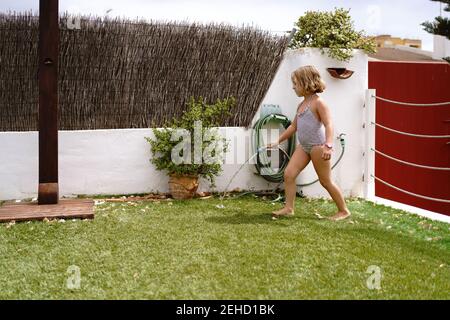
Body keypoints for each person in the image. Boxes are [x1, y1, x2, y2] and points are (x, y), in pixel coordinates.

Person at [269, 65, 351, 221]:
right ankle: (289, 208)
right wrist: (277, 141)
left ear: (306, 83)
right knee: (289, 174)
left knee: (325, 181)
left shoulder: (319, 103)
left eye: (295, 83)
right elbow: (294, 126)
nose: (293, 87)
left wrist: (328, 145)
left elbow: (329, 124)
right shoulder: (301, 104)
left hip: (318, 147)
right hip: (304, 147)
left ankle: (343, 210)